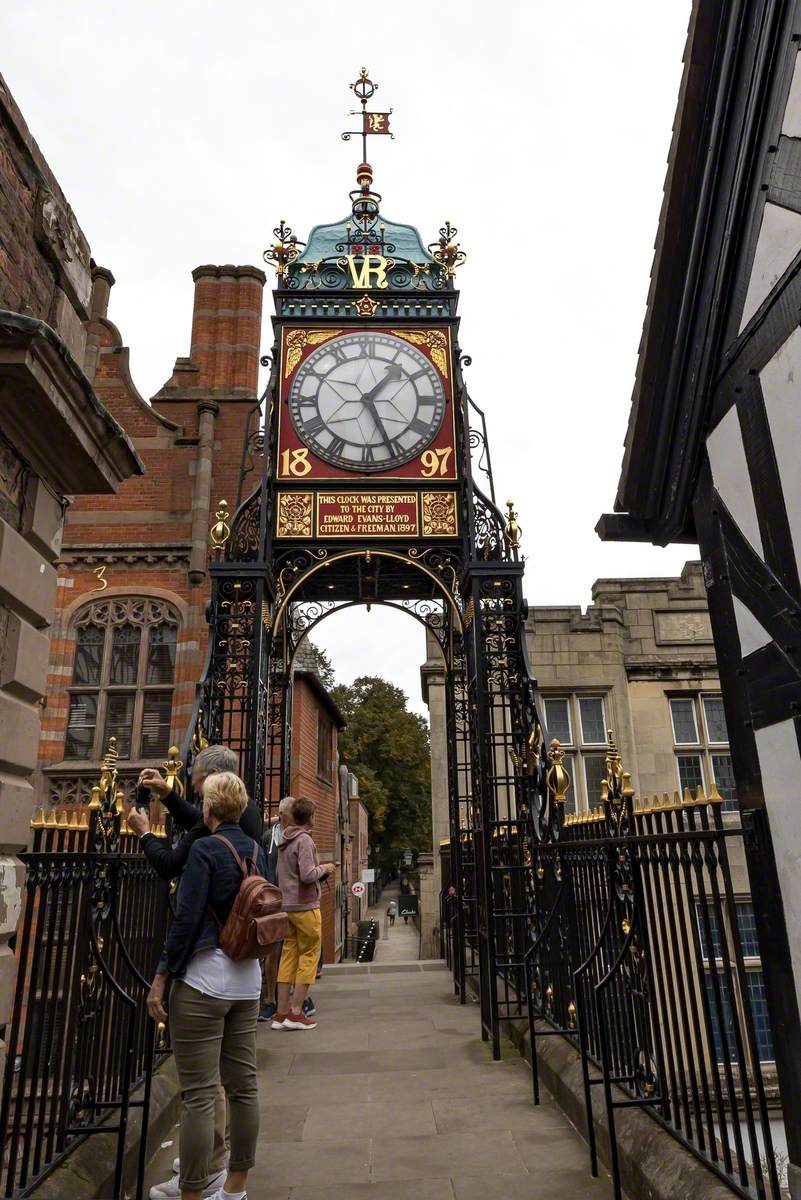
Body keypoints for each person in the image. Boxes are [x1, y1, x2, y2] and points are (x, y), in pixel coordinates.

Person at [133, 746, 248, 1200]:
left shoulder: (206, 845)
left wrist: (145, 832)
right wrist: (167, 796)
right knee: (238, 1085)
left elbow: (178, 884)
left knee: (200, 1090)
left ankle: (198, 1183)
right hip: (245, 975)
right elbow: (202, 826)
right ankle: (229, 1182)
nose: (194, 794)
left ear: (211, 783)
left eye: (195, 785)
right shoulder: (249, 834)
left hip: (206, 971)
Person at [130, 745, 261, 881]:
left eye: (196, 775)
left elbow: (168, 866)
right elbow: (198, 821)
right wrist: (166, 792)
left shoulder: (219, 814)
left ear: (213, 774)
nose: (194, 784)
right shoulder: (247, 807)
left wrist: (144, 833)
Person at [272, 796, 335, 1030]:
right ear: (310, 817)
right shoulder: (304, 841)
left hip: (287, 905)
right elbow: (308, 875)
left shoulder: (284, 840)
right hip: (305, 906)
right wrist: (326, 868)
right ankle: (296, 1012)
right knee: (309, 955)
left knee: (288, 955)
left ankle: (281, 1012)